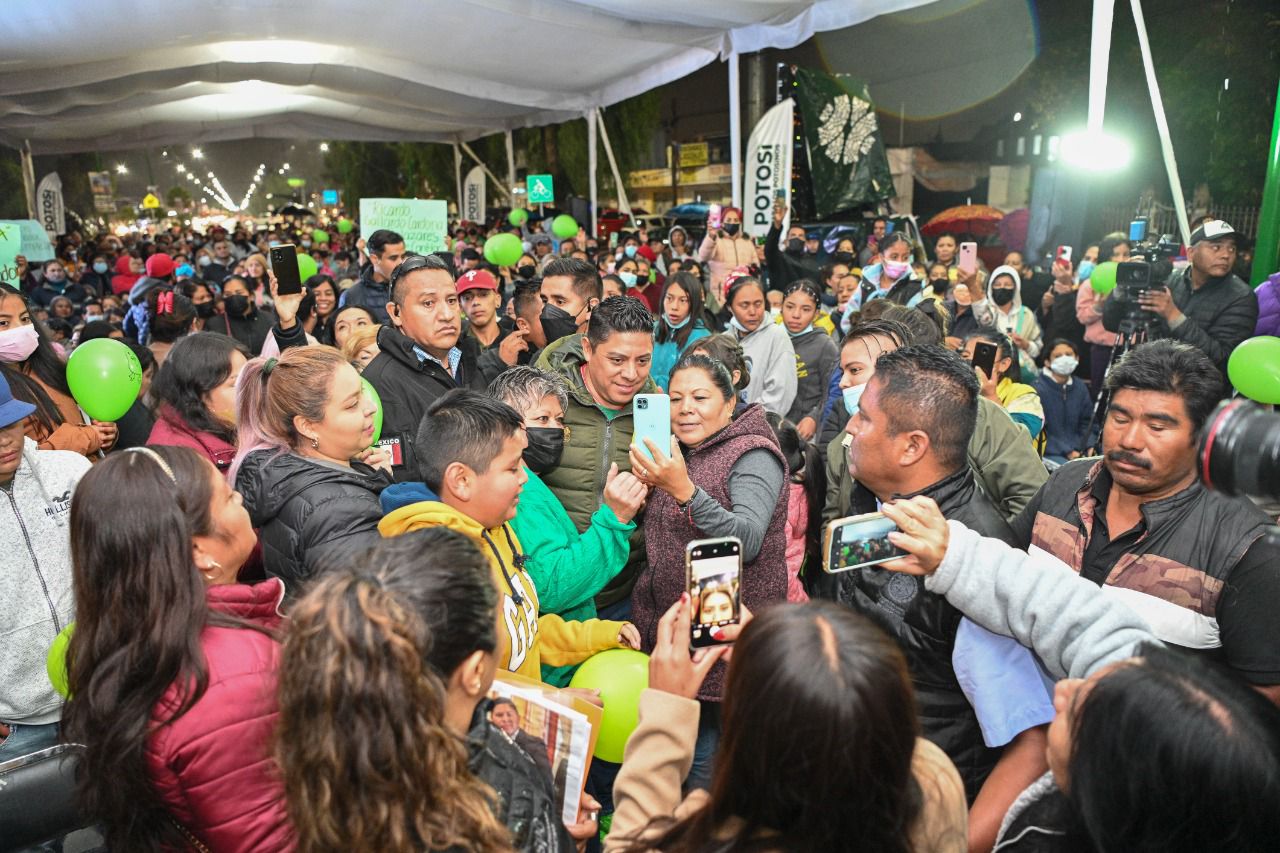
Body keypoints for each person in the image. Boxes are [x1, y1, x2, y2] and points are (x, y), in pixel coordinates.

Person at [876, 497, 1280, 853]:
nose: (1065, 688)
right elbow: (1080, 621)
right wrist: (956, 556)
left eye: (1080, 714)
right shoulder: (1139, 716)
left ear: (1107, 792)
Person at [277, 529, 595, 852]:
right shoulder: (498, 814)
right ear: (474, 672)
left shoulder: (337, 746)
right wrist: (557, 837)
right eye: (500, 618)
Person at [840, 345, 1054, 823]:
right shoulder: (878, 503)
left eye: (865, 418)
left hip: (921, 814)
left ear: (912, 446)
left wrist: (954, 843)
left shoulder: (976, 570)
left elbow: (1032, 740)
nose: (850, 427)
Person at [1010, 339, 1280, 703]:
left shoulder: (1245, 548)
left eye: (1157, 427)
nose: (1130, 440)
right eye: (1120, 418)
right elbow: (1006, 573)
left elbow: (1261, 704)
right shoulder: (1066, 483)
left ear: (1200, 438)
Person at [62, 446, 291, 852]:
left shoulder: (137, 641)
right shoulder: (230, 678)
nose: (241, 499)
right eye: (229, 496)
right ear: (198, 552)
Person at [607, 597, 968, 852]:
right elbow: (849, 726)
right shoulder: (931, 783)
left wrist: (665, 711)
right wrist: (775, 657)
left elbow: (631, 842)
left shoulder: (711, 836)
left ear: (755, 745)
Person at [379, 390, 638, 682]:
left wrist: (597, 635)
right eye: (513, 467)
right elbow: (463, 690)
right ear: (461, 481)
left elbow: (522, 633)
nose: (525, 477)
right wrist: (550, 702)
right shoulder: (438, 572)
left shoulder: (498, 530)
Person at [627, 353, 790, 789]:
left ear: (730, 403)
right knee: (673, 762)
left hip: (724, 646)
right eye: (676, 398)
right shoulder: (681, 452)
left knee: (700, 772)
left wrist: (682, 488)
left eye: (700, 397)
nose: (685, 409)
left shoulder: (754, 454)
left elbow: (745, 540)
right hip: (678, 637)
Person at [535, 296, 659, 618]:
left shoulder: (654, 410)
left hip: (622, 593)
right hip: (553, 591)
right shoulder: (543, 402)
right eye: (617, 360)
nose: (631, 374)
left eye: (643, 361)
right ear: (588, 350)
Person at [232, 347, 389, 590]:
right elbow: (365, 610)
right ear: (307, 426)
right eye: (352, 404)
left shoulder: (291, 475)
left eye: (363, 393)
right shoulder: (338, 512)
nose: (371, 407)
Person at [0, 376, 90, 762]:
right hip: (16, 724)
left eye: (9, 425)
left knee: (120, 813)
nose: (5, 440)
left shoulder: (69, 471)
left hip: (95, 700)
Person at [362, 254, 488, 481]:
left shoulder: (468, 360)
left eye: (451, 300)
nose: (447, 315)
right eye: (428, 303)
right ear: (396, 313)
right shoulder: (378, 383)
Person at [0, 289, 116, 458]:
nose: (20, 329)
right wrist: (86, 437)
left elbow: (83, 418)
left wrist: (104, 433)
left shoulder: (50, 367)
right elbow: (17, 462)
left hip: (88, 477)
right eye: (3, 323)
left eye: (25, 319)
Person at [1134, 219, 1259, 374]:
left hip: (1200, 391)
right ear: (1191, 253)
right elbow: (1113, 323)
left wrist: (1173, 316)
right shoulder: (1170, 280)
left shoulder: (1241, 297)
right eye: (1216, 247)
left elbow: (1224, 359)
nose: (1226, 255)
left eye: (1232, 249)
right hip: (1156, 376)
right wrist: (1124, 286)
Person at [147, 332, 249, 474]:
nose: (250, 390)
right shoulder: (178, 458)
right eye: (236, 383)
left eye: (249, 379)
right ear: (199, 393)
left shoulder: (225, 426)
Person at [766, 413, 821, 603]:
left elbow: (779, 571)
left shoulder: (777, 506)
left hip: (784, 600)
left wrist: (802, 605)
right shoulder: (800, 489)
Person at [723, 275, 797, 416]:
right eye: (744, 305)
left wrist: (748, 421)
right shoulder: (723, 340)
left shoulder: (777, 336)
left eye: (758, 304)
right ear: (729, 307)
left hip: (761, 427)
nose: (752, 312)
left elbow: (779, 393)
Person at [963, 328, 1045, 442]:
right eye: (965, 355)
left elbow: (1017, 438)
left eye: (981, 354)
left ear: (1003, 364)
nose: (971, 361)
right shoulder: (955, 389)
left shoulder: (1024, 395)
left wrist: (990, 396)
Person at [781, 279, 838, 440]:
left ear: (816, 313)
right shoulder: (773, 338)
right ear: (781, 307)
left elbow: (832, 390)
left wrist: (814, 417)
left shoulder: (824, 345)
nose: (796, 315)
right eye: (790, 307)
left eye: (806, 309)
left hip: (804, 430)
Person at [1076, 235, 1132, 394]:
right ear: (1106, 256)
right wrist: (1100, 305)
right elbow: (1082, 316)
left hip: (1131, 348)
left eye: (1126, 254)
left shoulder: (1135, 284)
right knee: (1100, 393)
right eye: (1115, 254)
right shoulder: (1091, 283)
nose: (1121, 259)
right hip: (1102, 350)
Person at [971, 264, 1042, 381]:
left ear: (1015, 288)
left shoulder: (1026, 314)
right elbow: (980, 309)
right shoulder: (987, 311)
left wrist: (1024, 344)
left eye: (1007, 285)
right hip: (991, 372)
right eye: (997, 285)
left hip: (1023, 374)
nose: (1002, 288)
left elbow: (1037, 349)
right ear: (991, 287)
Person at [1035, 338, 1093, 464]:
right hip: (1049, 452)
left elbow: (1088, 422)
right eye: (1058, 356)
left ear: (1076, 358)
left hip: (1079, 451)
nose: (1064, 359)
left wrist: (1089, 445)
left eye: (1068, 354)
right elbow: (1039, 430)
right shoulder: (1037, 389)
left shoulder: (1080, 387)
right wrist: (1066, 451)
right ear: (1047, 362)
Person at [651, 272, 711, 391]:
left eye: (683, 300)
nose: (674, 306)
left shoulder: (703, 339)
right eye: (669, 298)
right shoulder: (649, 330)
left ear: (694, 304)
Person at [339, 229, 405, 324]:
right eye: (393, 258)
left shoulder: (411, 289)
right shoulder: (352, 296)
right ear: (374, 259)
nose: (400, 262)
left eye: (402, 257)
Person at [697, 206, 756, 302]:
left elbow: (755, 266)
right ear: (722, 222)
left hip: (745, 294)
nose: (732, 223)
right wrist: (711, 236)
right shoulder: (716, 239)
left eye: (736, 220)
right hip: (721, 296)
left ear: (740, 222)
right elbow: (703, 256)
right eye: (728, 220)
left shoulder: (747, 241)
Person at [540, 257, 603, 345]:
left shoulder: (606, 355)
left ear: (591, 307)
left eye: (560, 302)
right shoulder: (540, 355)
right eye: (545, 301)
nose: (547, 311)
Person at [489, 697, 555, 781]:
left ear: (518, 718)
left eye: (509, 714)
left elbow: (546, 781)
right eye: (499, 715)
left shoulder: (535, 745)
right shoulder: (487, 741)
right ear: (491, 719)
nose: (505, 719)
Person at [764, 203, 823, 290]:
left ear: (805, 242)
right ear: (786, 241)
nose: (796, 238)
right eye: (793, 235)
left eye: (800, 236)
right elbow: (770, 248)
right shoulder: (779, 259)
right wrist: (777, 225)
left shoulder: (813, 264)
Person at [214, 274, 276, 353]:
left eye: (239, 293)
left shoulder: (269, 319)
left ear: (251, 296)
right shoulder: (214, 324)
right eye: (228, 294)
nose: (234, 297)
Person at [1002, 250, 1054, 317]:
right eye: (1006, 263)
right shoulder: (997, 285)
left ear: (1024, 269)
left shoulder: (1029, 288)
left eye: (1015, 264)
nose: (1009, 266)